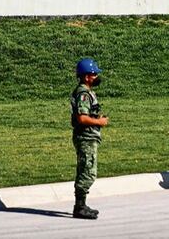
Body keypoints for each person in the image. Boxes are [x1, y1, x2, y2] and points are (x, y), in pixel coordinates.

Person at [71, 58, 109, 220]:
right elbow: (82, 118)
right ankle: (79, 207)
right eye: (94, 74)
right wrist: (99, 122)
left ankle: (82, 205)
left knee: (86, 170)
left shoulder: (87, 92)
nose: (96, 77)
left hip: (89, 136)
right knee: (88, 172)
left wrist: (96, 118)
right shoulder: (83, 94)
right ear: (86, 76)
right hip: (86, 137)